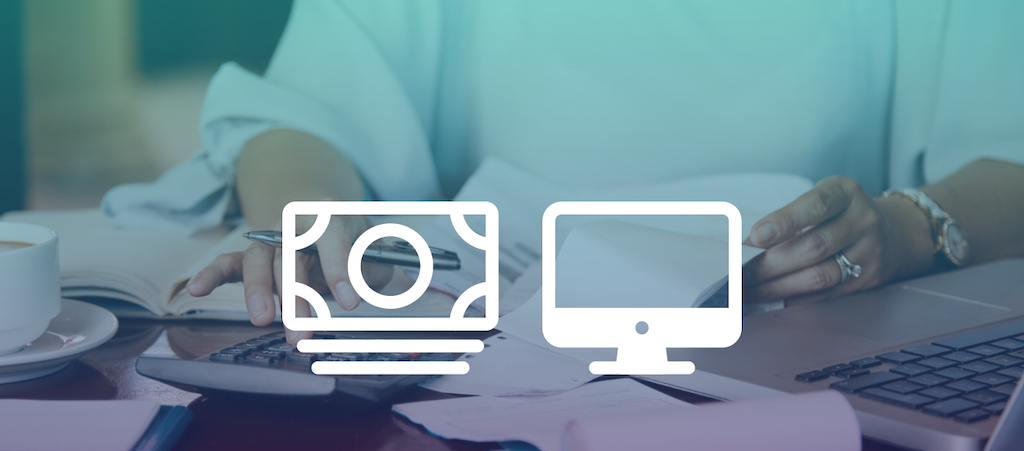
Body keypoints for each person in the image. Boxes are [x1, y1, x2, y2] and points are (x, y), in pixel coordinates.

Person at [136, 1, 1024, 343]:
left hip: (804, 356)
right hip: (489, 354)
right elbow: (303, 109)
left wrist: (907, 227)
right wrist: (312, 219)